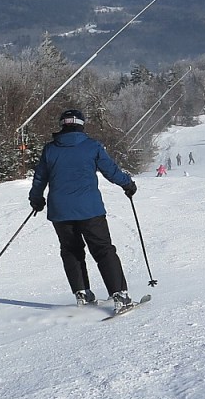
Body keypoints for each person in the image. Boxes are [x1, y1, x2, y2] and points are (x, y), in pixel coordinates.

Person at [29, 109, 137, 310]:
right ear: (81, 124)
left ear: (63, 125)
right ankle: (119, 296)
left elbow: (40, 178)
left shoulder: (50, 149)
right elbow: (110, 171)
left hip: (60, 212)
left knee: (71, 251)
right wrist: (127, 184)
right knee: (103, 249)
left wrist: (36, 199)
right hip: (90, 209)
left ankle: (82, 293)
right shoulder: (92, 146)